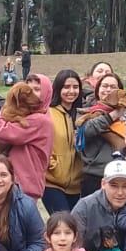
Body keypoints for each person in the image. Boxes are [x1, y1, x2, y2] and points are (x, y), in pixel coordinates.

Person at [0, 79, 53, 202]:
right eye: (28, 90)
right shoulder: (30, 116)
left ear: (47, 93)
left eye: (37, 90)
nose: (32, 95)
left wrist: (2, 112)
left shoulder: (39, 120)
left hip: (24, 187)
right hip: (18, 185)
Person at [77, 72, 126, 197]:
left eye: (113, 87)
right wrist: (113, 115)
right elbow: (86, 130)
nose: (108, 90)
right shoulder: (86, 112)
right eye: (104, 86)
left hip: (121, 174)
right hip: (94, 175)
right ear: (97, 90)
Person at [40, 69, 84, 213]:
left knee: (75, 227)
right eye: (66, 87)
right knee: (62, 223)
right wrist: (52, 164)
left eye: (75, 87)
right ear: (58, 89)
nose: (71, 91)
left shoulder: (83, 114)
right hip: (52, 182)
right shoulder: (48, 113)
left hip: (77, 184)